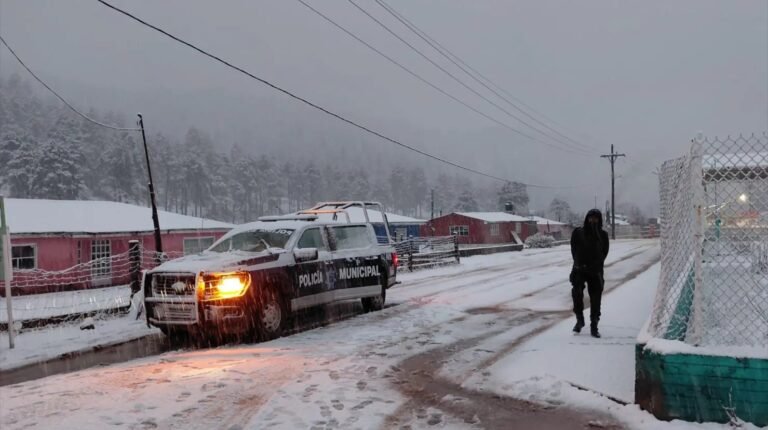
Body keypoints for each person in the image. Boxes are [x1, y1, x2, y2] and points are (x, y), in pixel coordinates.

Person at [569, 208, 609, 338]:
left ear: (599, 220)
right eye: (591, 218)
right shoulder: (578, 233)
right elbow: (573, 250)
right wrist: (578, 264)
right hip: (579, 269)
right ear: (587, 218)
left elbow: (604, 253)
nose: (593, 220)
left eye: (596, 218)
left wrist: (595, 266)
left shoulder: (603, 235)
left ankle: (594, 325)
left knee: (596, 299)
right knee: (577, 294)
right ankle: (579, 320)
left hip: (595, 271)